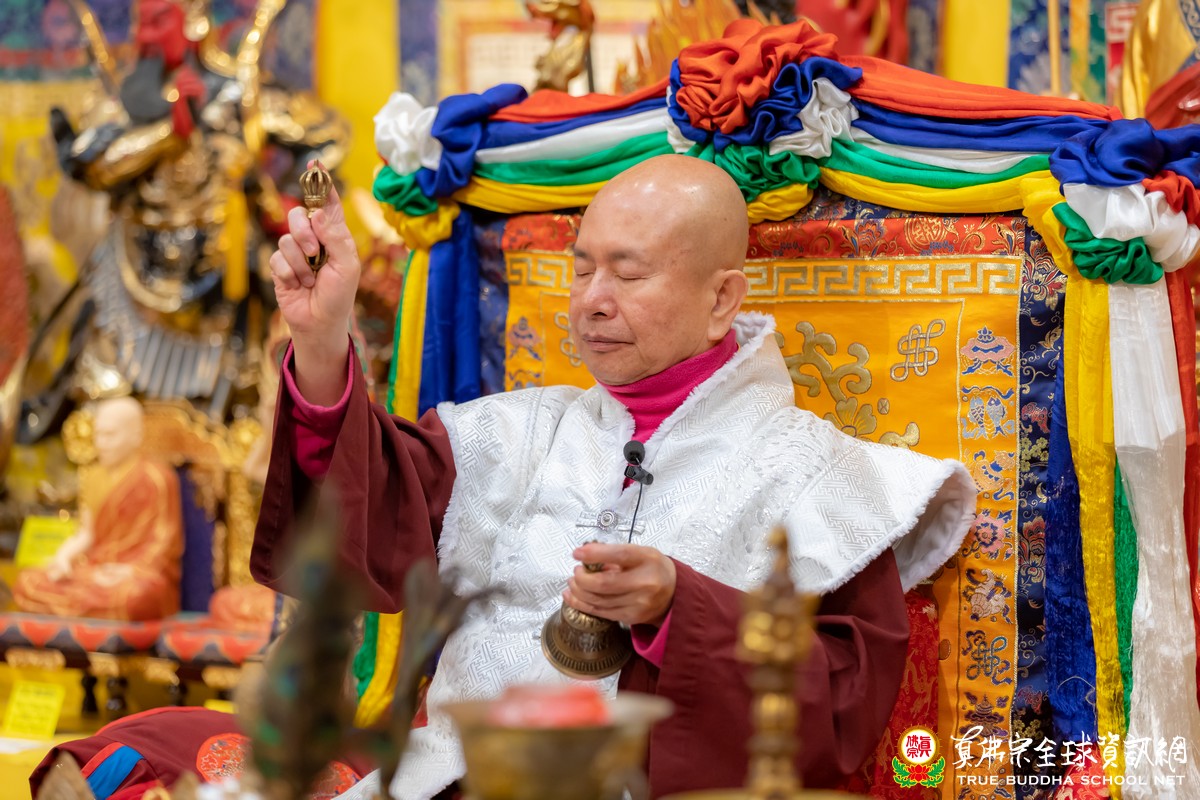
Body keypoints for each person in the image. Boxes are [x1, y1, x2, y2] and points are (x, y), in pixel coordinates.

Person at [255, 154, 977, 799]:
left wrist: (678, 610)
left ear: (722, 300)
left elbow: (839, 711)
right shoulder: (520, 433)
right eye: (582, 270)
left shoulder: (821, 478)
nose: (591, 300)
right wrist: (320, 341)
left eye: (628, 274)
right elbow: (361, 512)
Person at [14, 396, 184, 620]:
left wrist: (129, 571)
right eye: (98, 434)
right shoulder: (92, 477)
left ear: (135, 436)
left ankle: (81, 606)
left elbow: (164, 542)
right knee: (27, 582)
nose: (101, 443)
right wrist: (64, 557)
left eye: (110, 435)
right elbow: (86, 534)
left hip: (134, 576)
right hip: (95, 571)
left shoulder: (157, 478)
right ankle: (87, 605)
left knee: (137, 597)